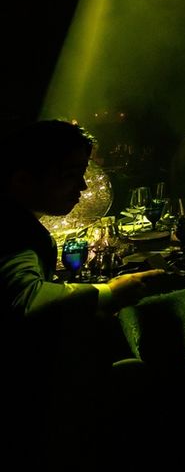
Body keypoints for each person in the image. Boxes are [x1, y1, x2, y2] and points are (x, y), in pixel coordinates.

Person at [1, 119, 166, 444]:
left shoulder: (16, 220)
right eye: (69, 175)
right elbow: (25, 298)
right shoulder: (13, 231)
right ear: (22, 179)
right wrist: (109, 292)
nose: (83, 187)